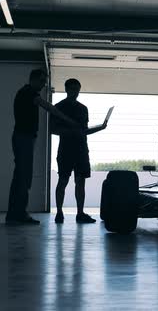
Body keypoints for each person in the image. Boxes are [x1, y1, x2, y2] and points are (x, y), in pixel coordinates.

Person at [6, 69, 79, 225]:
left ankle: (15, 214)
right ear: (33, 80)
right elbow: (49, 108)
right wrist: (69, 121)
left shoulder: (26, 92)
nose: (43, 85)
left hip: (24, 138)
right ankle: (19, 214)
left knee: (21, 176)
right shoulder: (28, 92)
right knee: (23, 177)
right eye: (42, 81)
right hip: (23, 138)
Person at [52, 78, 106, 224]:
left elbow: (84, 131)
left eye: (77, 89)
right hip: (66, 149)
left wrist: (99, 128)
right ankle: (59, 212)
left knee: (79, 182)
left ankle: (79, 213)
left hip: (81, 149)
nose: (75, 92)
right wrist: (70, 132)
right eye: (73, 89)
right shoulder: (58, 107)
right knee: (63, 180)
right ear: (67, 89)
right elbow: (52, 129)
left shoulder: (83, 109)